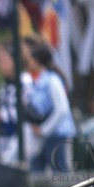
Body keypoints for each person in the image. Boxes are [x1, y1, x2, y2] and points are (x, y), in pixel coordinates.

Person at [25, 38, 76, 175]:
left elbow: (62, 109)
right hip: (47, 136)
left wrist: (44, 129)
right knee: (37, 170)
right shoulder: (40, 80)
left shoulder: (52, 80)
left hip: (58, 135)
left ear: (36, 61)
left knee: (61, 174)